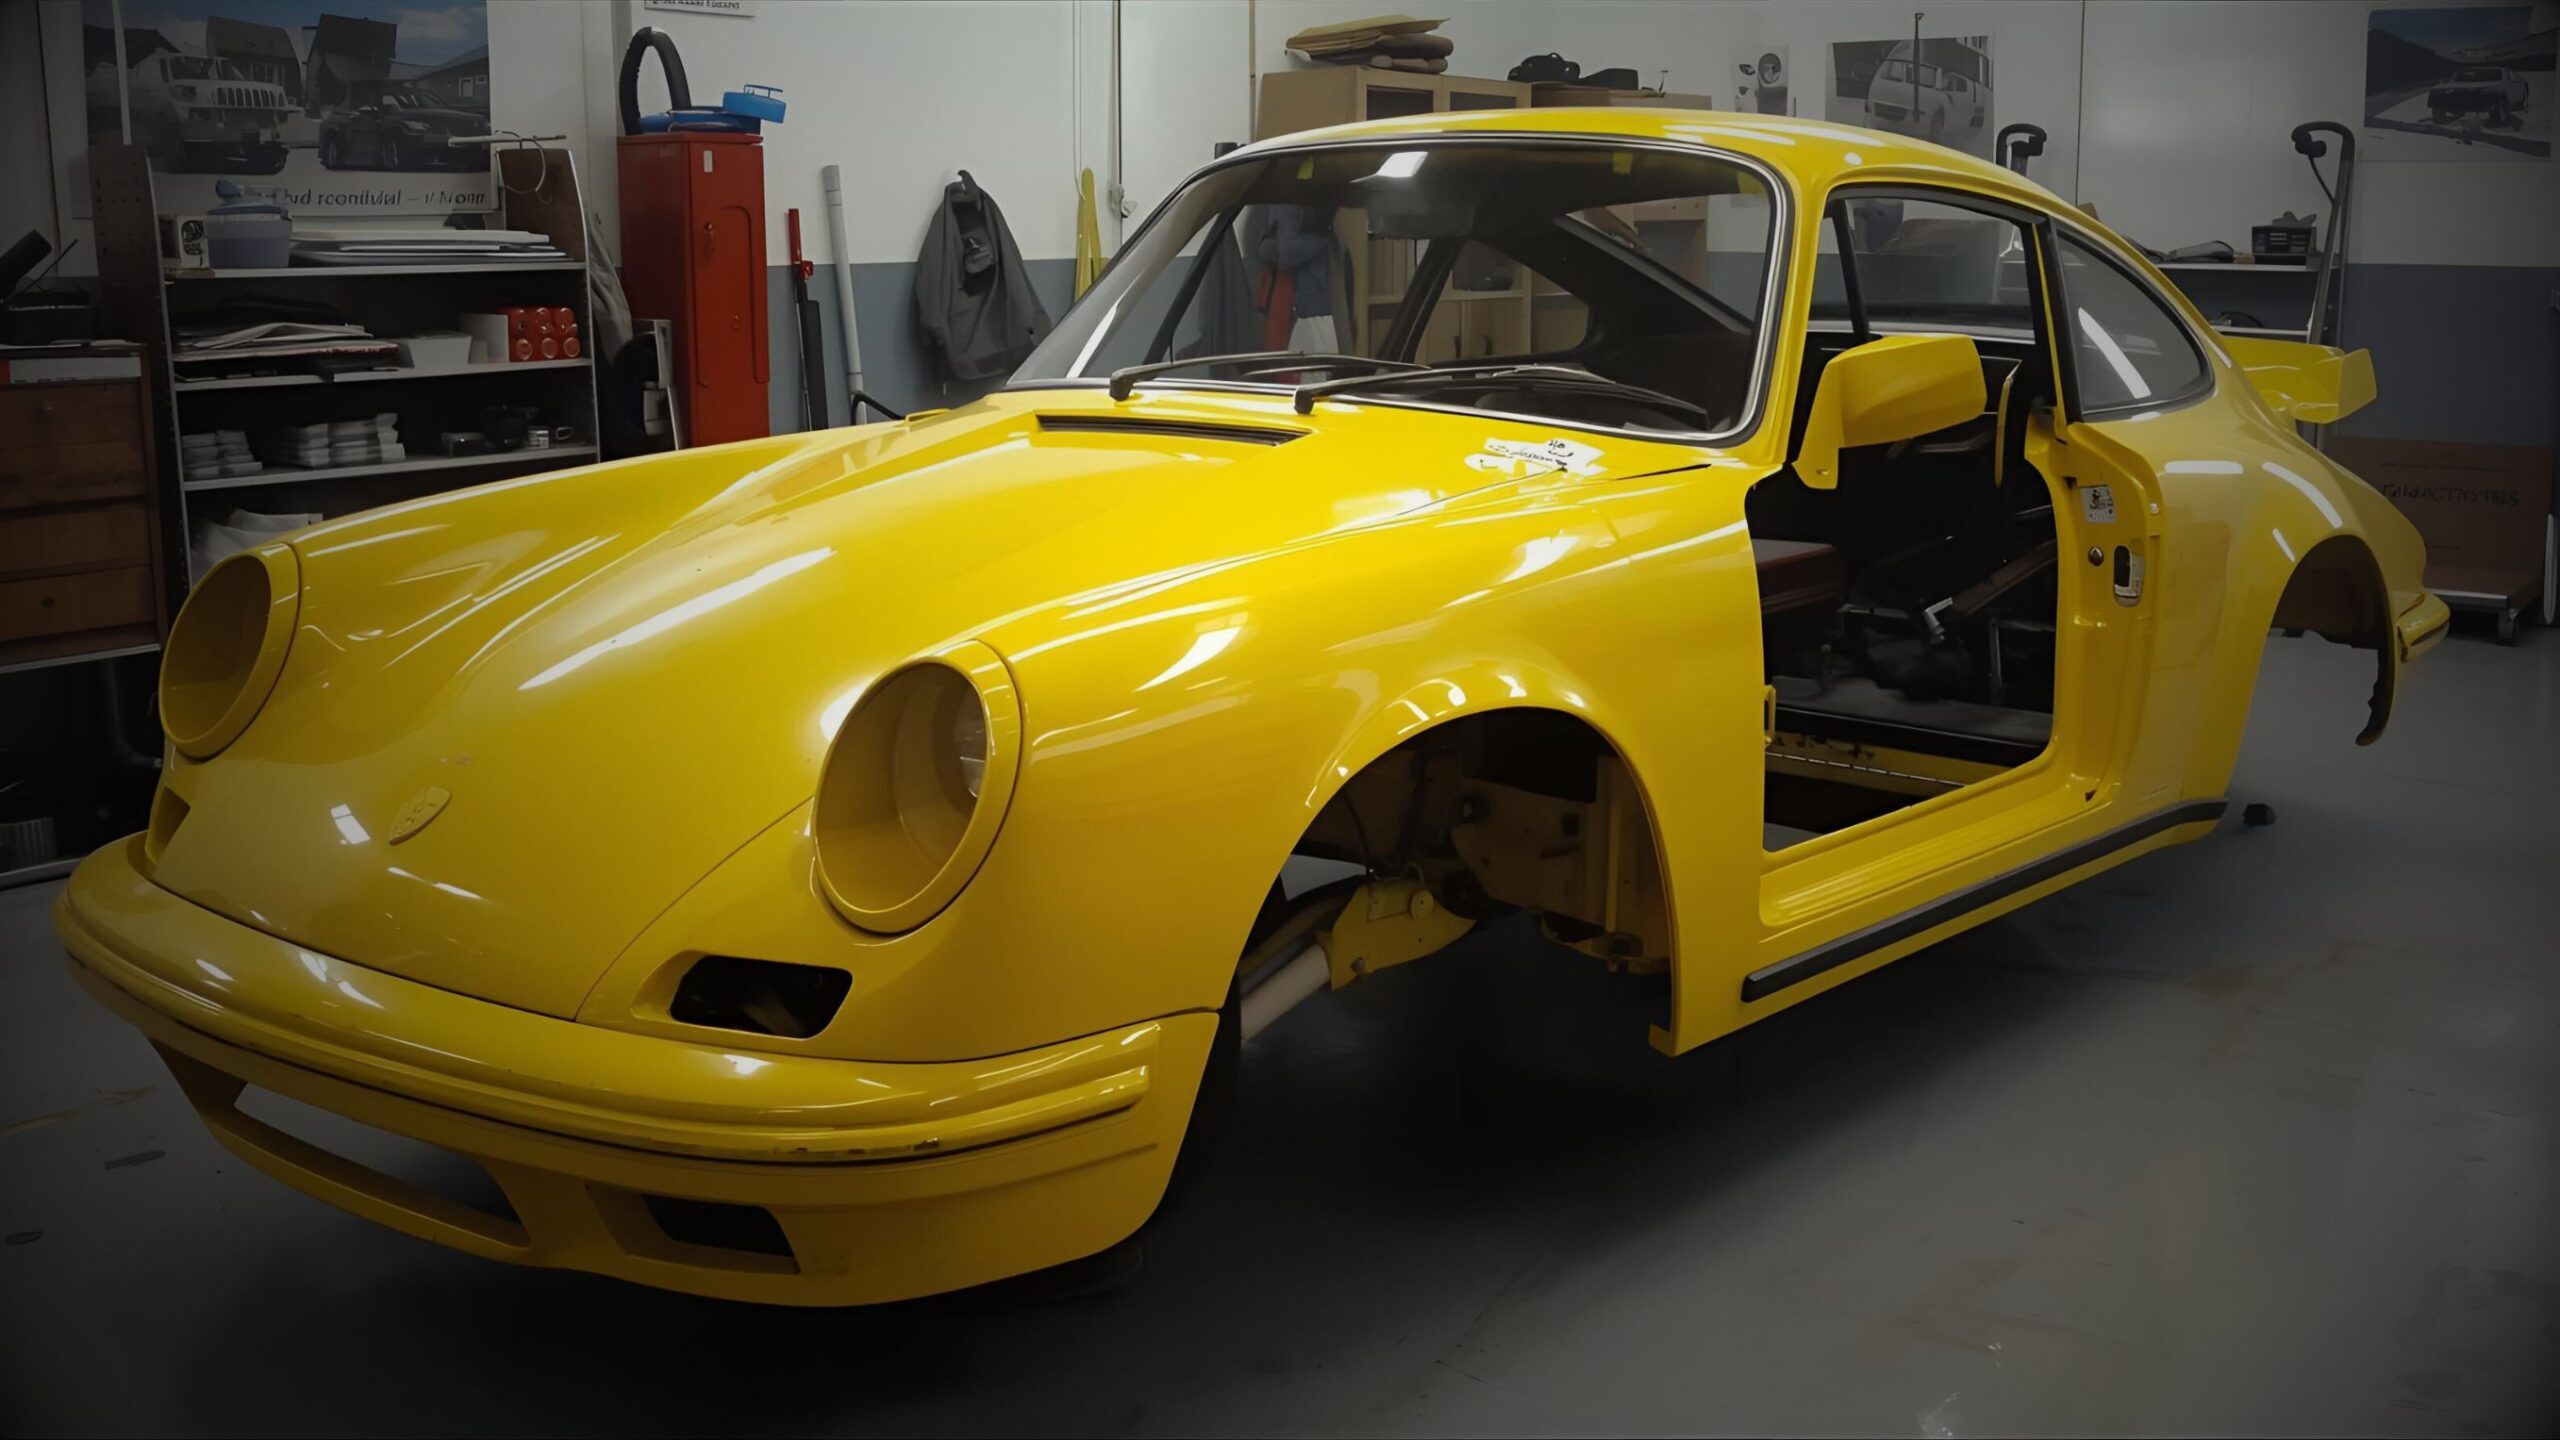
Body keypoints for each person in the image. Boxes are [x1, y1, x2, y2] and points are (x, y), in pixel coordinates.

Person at [1257, 206, 1339, 355]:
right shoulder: (1288, 204)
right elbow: (1287, 251)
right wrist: (1328, 239)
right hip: (1307, 307)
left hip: (1318, 305)